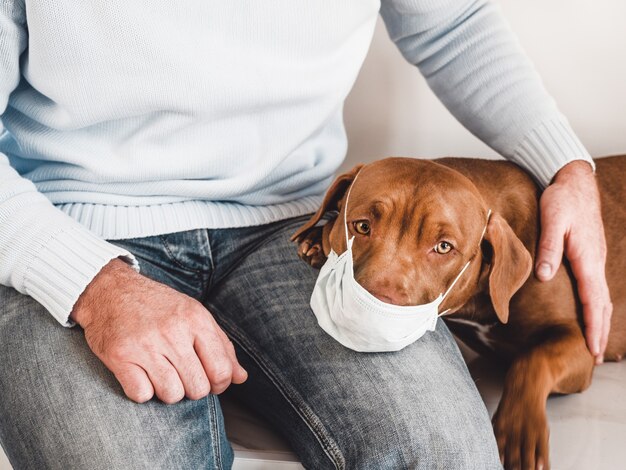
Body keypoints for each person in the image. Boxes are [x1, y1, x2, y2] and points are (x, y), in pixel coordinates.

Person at [0, 1, 611, 469]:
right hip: (69, 233)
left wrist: (566, 166)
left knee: (439, 451)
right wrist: (90, 284)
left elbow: (453, 24)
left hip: (292, 228)